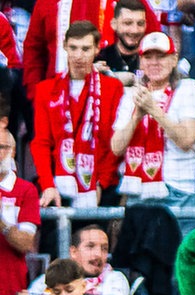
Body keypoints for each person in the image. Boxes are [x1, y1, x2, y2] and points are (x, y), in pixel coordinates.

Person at [111, 32, 195, 235]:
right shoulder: (131, 95)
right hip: (139, 191)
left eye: (161, 56)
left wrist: (154, 110)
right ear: (141, 61)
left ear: (174, 60)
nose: (154, 62)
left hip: (180, 190)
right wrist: (137, 116)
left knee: (182, 263)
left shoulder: (189, 88)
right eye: (148, 56)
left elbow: (187, 139)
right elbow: (116, 147)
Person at [31, 21, 125, 208]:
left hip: (101, 184)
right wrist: (48, 185)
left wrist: (102, 182)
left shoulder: (113, 88)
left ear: (97, 49)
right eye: (73, 48)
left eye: (85, 49)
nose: (78, 56)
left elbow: (114, 143)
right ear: (64, 46)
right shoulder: (45, 90)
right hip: (59, 184)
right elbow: (41, 143)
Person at [23, 0, 162, 99]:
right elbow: (33, 48)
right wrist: (34, 94)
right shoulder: (48, 3)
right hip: (56, 98)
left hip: (110, 101)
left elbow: (154, 40)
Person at [25, 225, 131, 295]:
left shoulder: (114, 278)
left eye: (104, 248)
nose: (98, 254)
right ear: (73, 252)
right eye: (90, 247)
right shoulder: (50, 277)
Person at [0, 130, 40, 295]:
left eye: (3, 147)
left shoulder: (25, 190)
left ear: (13, 151)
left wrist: (3, 223)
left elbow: (25, 243)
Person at [94, 0, 148, 86]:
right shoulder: (99, 58)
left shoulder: (152, 59)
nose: (134, 30)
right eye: (128, 23)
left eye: (140, 24)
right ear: (114, 24)